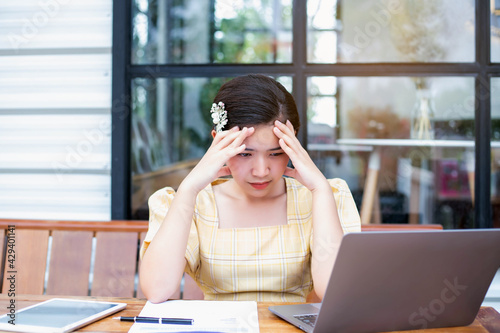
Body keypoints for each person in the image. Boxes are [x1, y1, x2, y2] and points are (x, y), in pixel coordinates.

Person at [139, 74, 361, 303]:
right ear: (219, 143)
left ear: (294, 144)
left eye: (276, 153)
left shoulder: (323, 198)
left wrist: (320, 191)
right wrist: (188, 189)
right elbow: (157, 290)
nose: (261, 170)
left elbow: (335, 293)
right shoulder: (195, 203)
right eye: (245, 153)